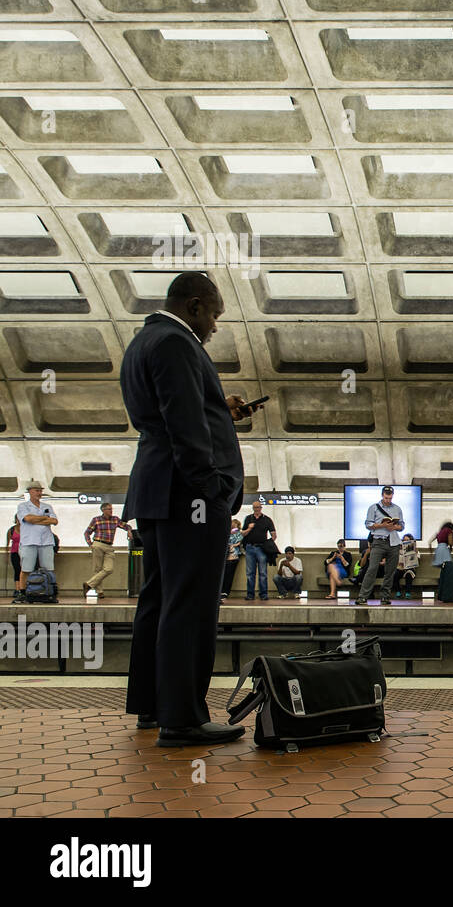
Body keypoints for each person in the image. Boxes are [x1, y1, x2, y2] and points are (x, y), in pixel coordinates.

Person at [121, 270, 255, 747]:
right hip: (189, 495)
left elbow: (181, 410)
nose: (215, 326)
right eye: (214, 315)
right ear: (195, 305)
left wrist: (222, 406)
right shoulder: (177, 343)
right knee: (192, 603)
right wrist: (212, 486)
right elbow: (184, 425)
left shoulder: (146, 340)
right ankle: (183, 719)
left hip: (157, 489)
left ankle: (153, 706)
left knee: (158, 600)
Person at [355, 485, 404, 605]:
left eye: (390, 498)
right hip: (378, 541)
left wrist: (395, 526)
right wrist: (382, 525)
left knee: (390, 571)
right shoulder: (374, 508)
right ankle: (363, 596)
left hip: (393, 542)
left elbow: (402, 526)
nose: (388, 500)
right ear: (382, 495)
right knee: (372, 569)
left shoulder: (397, 508)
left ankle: (385, 596)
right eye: (386, 497)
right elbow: (368, 524)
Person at [15, 480, 57, 597]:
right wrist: (44, 519)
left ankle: (49, 590)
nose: (39, 493)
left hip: (46, 541)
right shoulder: (23, 506)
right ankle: (22, 592)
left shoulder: (47, 506)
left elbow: (54, 521)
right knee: (26, 568)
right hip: (29, 541)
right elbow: (28, 519)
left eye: (40, 491)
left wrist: (36, 519)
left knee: (48, 568)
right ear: (30, 492)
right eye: (36, 491)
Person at [82, 501, 131, 596]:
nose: (111, 511)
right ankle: (100, 592)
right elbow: (87, 532)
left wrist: (129, 531)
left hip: (109, 546)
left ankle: (88, 584)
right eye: (109, 509)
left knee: (109, 569)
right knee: (97, 569)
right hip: (98, 544)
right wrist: (90, 544)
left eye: (111, 509)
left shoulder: (115, 519)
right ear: (103, 510)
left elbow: (126, 525)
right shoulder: (96, 520)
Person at [240, 499, 276, 601]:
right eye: (255, 507)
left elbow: (274, 534)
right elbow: (242, 534)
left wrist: (268, 544)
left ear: (261, 508)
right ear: (253, 508)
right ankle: (250, 594)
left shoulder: (267, 520)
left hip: (261, 548)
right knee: (250, 573)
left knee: (263, 573)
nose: (257, 509)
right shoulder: (248, 519)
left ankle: (263, 594)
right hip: (250, 548)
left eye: (258, 507)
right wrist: (249, 528)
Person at [221, 518, 242, 602]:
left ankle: (225, 592)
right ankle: (221, 591)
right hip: (226, 557)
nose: (232, 526)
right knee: (224, 575)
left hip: (233, 557)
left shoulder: (238, 533)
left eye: (234, 525)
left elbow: (238, 542)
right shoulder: (226, 532)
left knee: (229, 576)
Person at [396, 534, 420, 599]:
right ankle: (398, 591)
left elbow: (417, 560)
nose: (405, 541)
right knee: (395, 574)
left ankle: (408, 593)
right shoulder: (398, 550)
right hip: (400, 568)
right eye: (404, 540)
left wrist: (415, 553)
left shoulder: (415, 550)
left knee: (409, 574)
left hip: (410, 568)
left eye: (407, 540)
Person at [7, 521, 20, 596]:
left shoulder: (27, 529)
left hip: (24, 552)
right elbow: (7, 543)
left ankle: (24, 588)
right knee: (17, 570)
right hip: (14, 552)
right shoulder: (11, 530)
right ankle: (17, 589)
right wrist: (7, 554)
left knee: (25, 570)